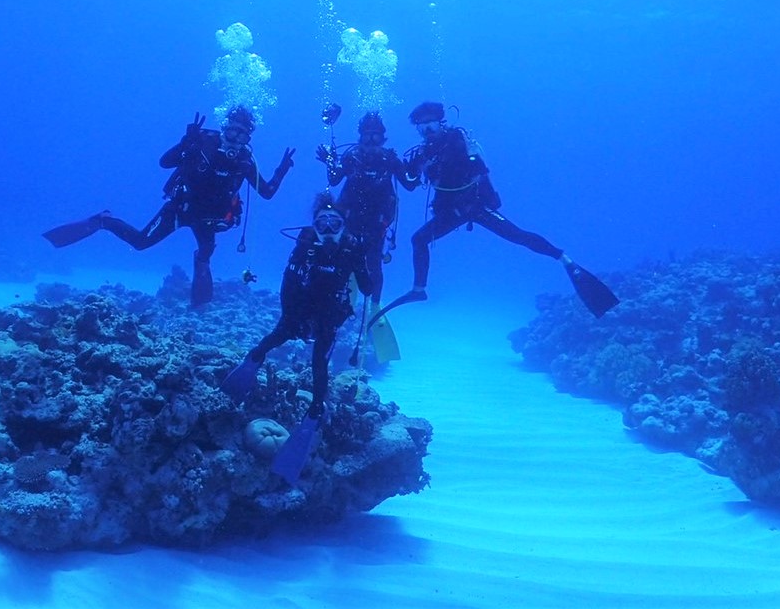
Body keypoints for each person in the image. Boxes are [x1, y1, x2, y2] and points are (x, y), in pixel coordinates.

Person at [374, 100, 618, 318]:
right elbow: (410, 183)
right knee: (418, 239)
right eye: (421, 125)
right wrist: (396, 164)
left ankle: (564, 259)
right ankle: (419, 290)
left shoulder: (456, 141)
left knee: (518, 236)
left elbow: (478, 168)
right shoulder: (422, 153)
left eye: (431, 124)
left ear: (441, 122)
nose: (427, 129)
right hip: (449, 212)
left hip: (474, 207)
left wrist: (441, 164)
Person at [42, 106, 296, 306]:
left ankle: (200, 266)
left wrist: (281, 171)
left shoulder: (246, 160)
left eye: (243, 134)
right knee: (140, 243)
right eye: (232, 130)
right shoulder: (203, 143)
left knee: (205, 254)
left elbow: (267, 192)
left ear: (248, 138)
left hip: (209, 220)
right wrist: (186, 143)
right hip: (180, 209)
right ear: (224, 127)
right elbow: (165, 162)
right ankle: (104, 220)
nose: (236, 138)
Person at [219, 192, 377, 484]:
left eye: (335, 223)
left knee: (320, 366)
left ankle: (315, 411)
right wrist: (291, 318)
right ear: (314, 225)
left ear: (344, 225)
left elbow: (367, 289)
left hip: (329, 317)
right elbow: (287, 284)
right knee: (267, 344)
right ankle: (252, 363)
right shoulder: (305, 244)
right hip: (298, 310)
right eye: (322, 223)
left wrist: (365, 258)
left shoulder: (351, 249)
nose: (328, 230)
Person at [315, 111, 412, 307]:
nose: (370, 139)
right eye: (367, 134)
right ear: (360, 136)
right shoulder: (351, 156)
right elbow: (333, 180)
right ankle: (335, 298)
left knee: (374, 264)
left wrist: (417, 167)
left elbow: (409, 184)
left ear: (383, 137)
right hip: (348, 220)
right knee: (339, 257)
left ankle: (374, 306)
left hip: (378, 222)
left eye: (375, 134)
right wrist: (329, 162)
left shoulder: (390, 159)